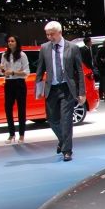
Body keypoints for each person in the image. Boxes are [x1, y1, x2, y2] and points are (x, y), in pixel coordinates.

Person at [34, 20, 84, 161]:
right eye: (47, 35)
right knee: (52, 120)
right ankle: (62, 141)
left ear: (60, 32)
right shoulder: (44, 48)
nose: (50, 37)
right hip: (51, 89)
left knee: (66, 120)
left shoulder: (72, 48)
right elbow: (40, 70)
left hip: (67, 88)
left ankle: (67, 151)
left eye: (52, 34)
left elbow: (79, 71)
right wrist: (38, 89)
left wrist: (81, 92)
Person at [0, 35, 29, 144]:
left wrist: (13, 72)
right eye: (9, 41)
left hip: (19, 83)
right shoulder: (4, 55)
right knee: (8, 109)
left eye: (12, 41)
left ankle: (21, 135)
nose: (10, 43)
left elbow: (26, 72)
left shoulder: (22, 55)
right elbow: (2, 72)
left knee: (21, 109)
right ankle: (11, 134)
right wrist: (1, 70)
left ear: (17, 42)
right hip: (9, 83)